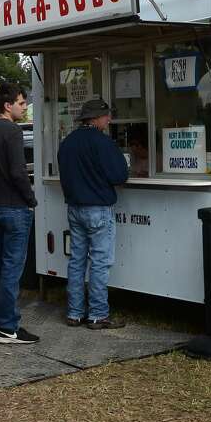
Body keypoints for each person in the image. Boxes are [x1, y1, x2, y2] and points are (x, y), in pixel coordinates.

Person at [0, 83, 40, 344]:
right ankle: (8, 327)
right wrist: (31, 199)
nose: (25, 108)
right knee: (12, 268)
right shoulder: (12, 131)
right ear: (7, 105)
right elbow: (18, 171)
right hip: (15, 207)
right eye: (22, 103)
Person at [57, 99, 130, 330]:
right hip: (98, 209)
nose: (109, 120)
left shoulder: (67, 143)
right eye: (106, 116)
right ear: (96, 118)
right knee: (99, 262)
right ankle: (98, 315)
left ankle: (74, 313)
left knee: (77, 261)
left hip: (74, 208)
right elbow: (120, 175)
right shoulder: (103, 143)